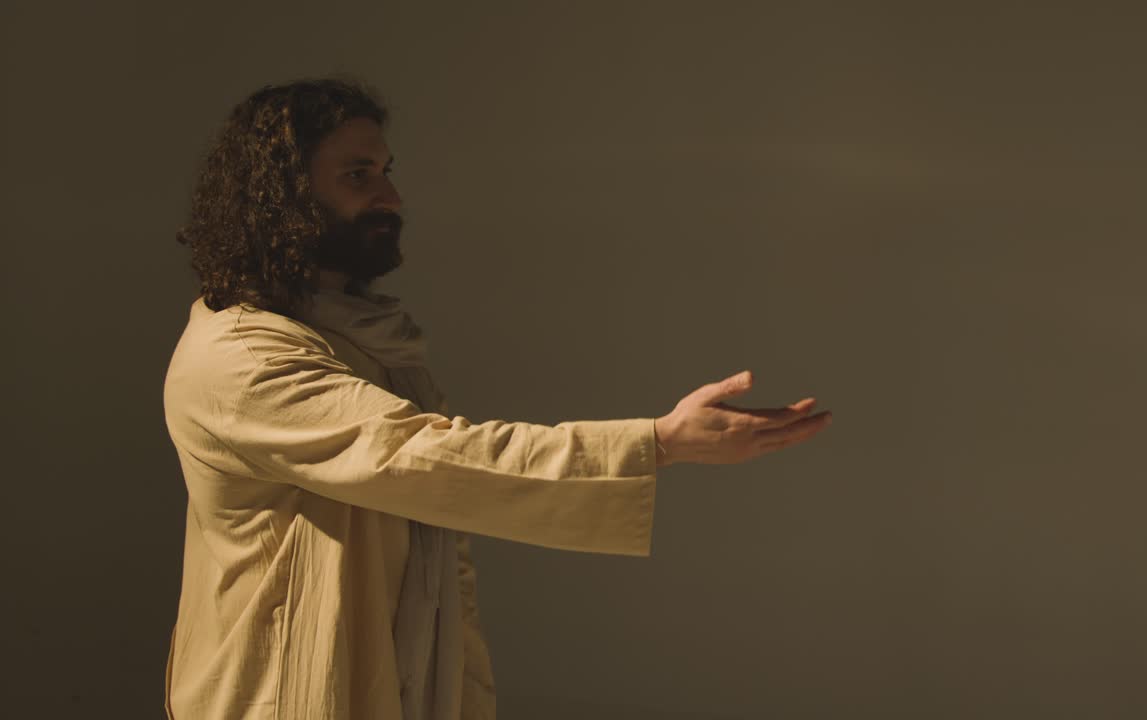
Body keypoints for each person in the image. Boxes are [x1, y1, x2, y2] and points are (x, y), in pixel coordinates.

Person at [163, 76, 833, 720]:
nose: (391, 196)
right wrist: (656, 443)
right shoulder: (243, 356)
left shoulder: (357, 339)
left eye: (386, 170)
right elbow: (422, 457)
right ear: (281, 195)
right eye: (357, 175)